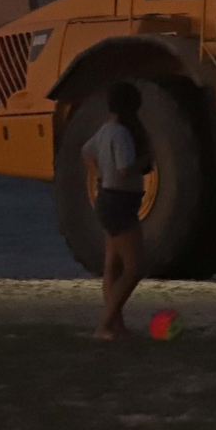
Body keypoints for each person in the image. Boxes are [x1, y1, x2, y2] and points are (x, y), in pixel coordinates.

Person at [82, 81, 152, 340]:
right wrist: (145, 161)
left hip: (108, 199)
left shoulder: (105, 130)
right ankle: (105, 325)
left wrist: (99, 175)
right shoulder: (121, 133)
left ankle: (116, 326)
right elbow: (125, 169)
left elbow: (85, 151)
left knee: (113, 265)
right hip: (120, 202)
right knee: (135, 268)